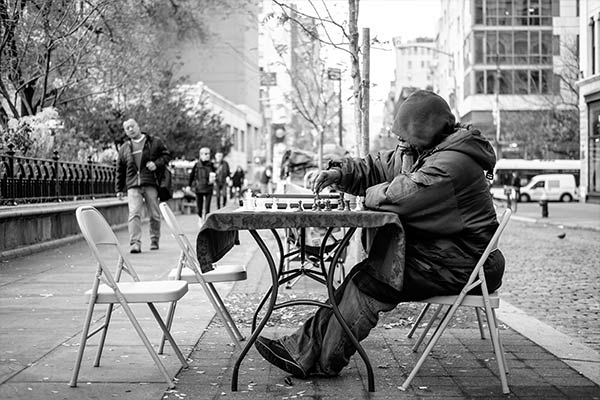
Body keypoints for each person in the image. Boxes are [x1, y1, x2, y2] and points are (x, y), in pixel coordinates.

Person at [254, 90, 505, 379]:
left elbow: (400, 196)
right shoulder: (426, 150)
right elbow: (379, 165)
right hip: (446, 256)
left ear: (424, 131)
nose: (398, 141)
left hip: (464, 264)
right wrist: (340, 174)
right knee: (366, 274)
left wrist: (366, 195)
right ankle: (303, 349)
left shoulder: (453, 164)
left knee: (371, 282)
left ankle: (321, 359)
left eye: (403, 134)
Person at [116, 118, 171, 253]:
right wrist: (118, 189)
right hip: (133, 184)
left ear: (138, 126)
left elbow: (166, 156)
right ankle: (135, 243)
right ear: (125, 131)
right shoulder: (124, 148)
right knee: (134, 213)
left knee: (154, 214)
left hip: (150, 182)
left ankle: (154, 239)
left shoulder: (154, 142)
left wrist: (156, 164)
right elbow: (120, 169)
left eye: (132, 126)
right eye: (127, 128)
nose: (130, 129)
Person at [187, 147, 215, 221]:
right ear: (201, 155)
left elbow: (215, 174)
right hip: (199, 188)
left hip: (209, 187)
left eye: (208, 154)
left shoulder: (211, 165)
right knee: (199, 206)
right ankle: (200, 219)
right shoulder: (196, 165)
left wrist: (214, 179)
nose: (207, 155)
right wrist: (189, 186)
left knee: (207, 207)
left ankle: (206, 221)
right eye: (206, 154)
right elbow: (192, 176)